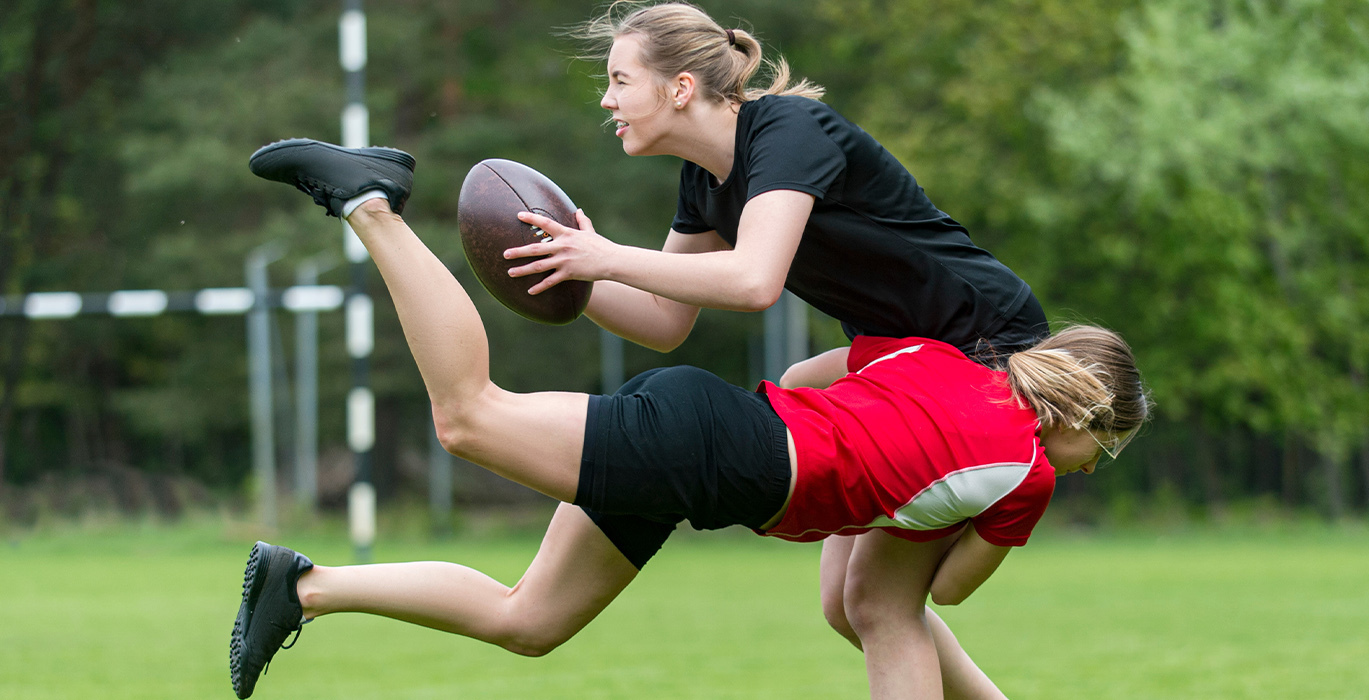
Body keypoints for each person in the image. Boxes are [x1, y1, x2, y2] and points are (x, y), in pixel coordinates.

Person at [233, 139, 1147, 699]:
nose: (1088, 467)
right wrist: (896, 500)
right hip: (705, 456)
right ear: (1084, 413)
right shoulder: (1024, 482)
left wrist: (870, 471)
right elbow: (943, 594)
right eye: (1099, 451)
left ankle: (301, 588)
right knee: (469, 418)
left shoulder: (940, 358)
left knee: (531, 620)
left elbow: (807, 375)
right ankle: (371, 204)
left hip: (712, 438)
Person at [502, 4, 1057, 696]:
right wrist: (563, 272)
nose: (606, 99)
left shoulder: (789, 132)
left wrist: (607, 257)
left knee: (880, 607)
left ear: (679, 88)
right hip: (911, 352)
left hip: (983, 351)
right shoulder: (705, 180)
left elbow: (753, 279)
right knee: (848, 605)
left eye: (619, 80)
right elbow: (663, 319)